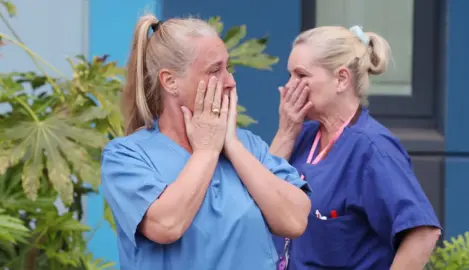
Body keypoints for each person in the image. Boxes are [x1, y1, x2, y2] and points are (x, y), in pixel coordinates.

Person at [100, 14, 312, 270]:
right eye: (214, 70)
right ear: (170, 81)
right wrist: (207, 150)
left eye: (228, 68)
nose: (230, 81)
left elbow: (295, 220)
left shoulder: (248, 145)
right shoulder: (125, 155)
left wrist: (232, 146)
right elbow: (166, 225)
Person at [269, 25, 442, 269]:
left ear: (341, 79)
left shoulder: (373, 149)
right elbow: (259, 198)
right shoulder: (302, 134)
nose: (289, 86)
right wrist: (285, 132)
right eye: (289, 76)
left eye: (301, 75)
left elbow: (422, 233)